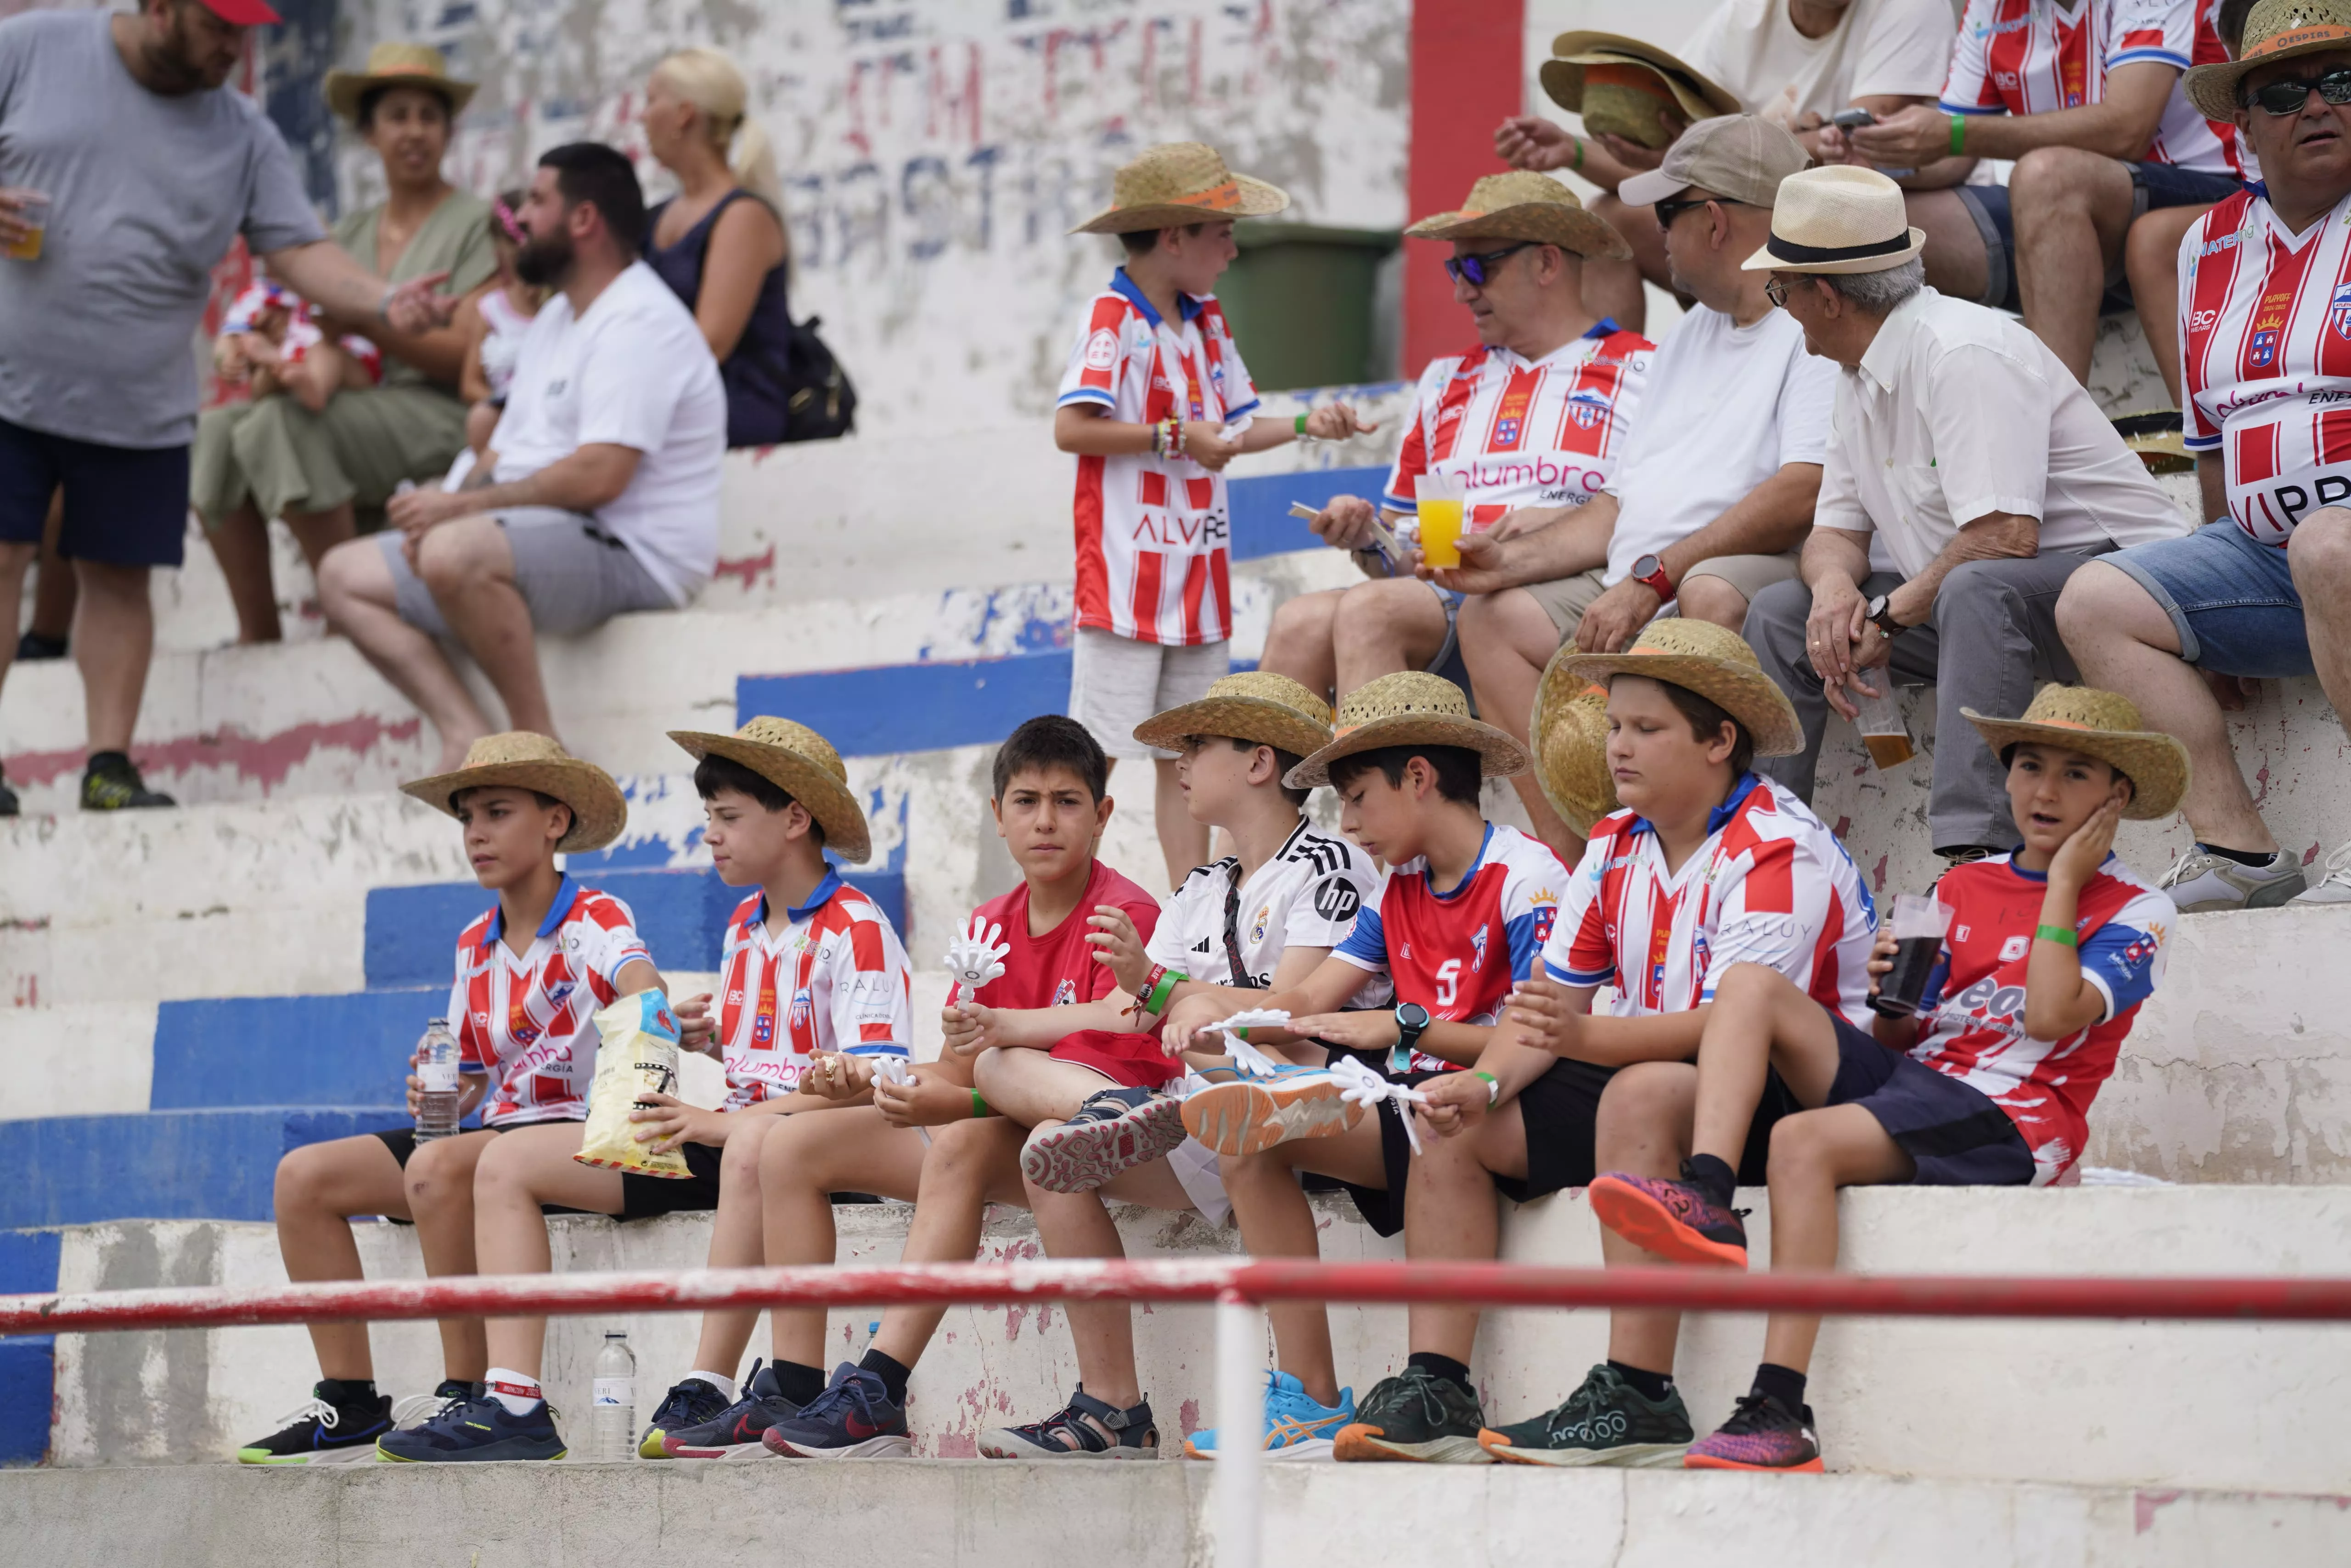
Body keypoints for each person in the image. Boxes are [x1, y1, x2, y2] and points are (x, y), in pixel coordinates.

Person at [1572, 687, 2181, 1472]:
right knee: (1753, 986)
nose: (2045, 792)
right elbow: (1902, 1036)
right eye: (2030, 767)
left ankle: (1781, 1409)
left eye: (2075, 775)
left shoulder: (2141, 908)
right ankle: (1710, 1193)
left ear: (2116, 798)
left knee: (1801, 1139)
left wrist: (2064, 884)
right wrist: (1895, 991)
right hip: (1916, 1082)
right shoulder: (1960, 887)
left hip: (2016, 1117)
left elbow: (2050, 1016)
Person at [384, 718, 913, 1463]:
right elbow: (775, 1053)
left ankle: (707, 1381)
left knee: (748, 1141)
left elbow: (874, 1077)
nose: (711, 836)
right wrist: (715, 1044)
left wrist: (711, 1114)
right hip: (741, 1135)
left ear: (796, 818)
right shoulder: (742, 925)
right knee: (461, 1165)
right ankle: (501, 1397)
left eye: (727, 818)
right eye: (709, 819)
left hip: (798, 1141)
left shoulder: (856, 923)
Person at [0, 0, 456, 817]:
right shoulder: (32, 46)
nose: (235, 46)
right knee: (3, 560)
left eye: (247, 28)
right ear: (162, 8)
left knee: (119, 579)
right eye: (219, 25)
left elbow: (297, 249)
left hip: (140, 404)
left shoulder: (243, 132)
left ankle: (108, 767)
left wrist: (384, 303)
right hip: (9, 384)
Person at [1436, 621, 1873, 1467]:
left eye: (1647, 729)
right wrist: (1483, 1086)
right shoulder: (1612, 842)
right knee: (1454, 1128)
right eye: (1614, 727)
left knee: (1637, 1089)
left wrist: (1583, 1034)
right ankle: (1433, 1382)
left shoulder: (1777, 845)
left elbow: (1731, 1027)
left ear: (1719, 742)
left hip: (1792, 1092)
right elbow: (1549, 1008)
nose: (1618, 749)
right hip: (1667, 1076)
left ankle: (1637, 1392)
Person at [1153, 672, 1585, 1465]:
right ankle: (1312, 1400)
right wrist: (1212, 1016)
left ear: (1418, 778)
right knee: (1248, 1138)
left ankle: (1428, 1388)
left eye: (1357, 798)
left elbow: (1539, 1033)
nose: (1346, 824)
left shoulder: (1528, 877)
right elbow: (1309, 999)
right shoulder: (1396, 891)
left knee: (1400, 1113)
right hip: (1411, 1103)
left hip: (1505, 1103)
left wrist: (1405, 1028)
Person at [703, 716, 1158, 1459]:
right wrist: (868, 1077)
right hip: (1015, 1139)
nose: (1045, 820)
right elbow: (952, 1071)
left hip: (1108, 1142)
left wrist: (962, 1094)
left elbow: (1099, 1068)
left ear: (1104, 815)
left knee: (976, 1130)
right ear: (997, 817)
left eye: (1068, 801)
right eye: (1027, 801)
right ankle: (794, 1385)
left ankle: (880, 1388)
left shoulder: (1124, 915)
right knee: (789, 1147)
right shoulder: (988, 926)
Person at [963, 674, 1383, 1459]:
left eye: (1196, 746)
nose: (1179, 763)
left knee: (1230, 1125)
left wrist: (1173, 995)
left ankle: (1313, 1398)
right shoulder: (1204, 885)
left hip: (1309, 1100)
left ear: (1259, 762)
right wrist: (1006, 1027)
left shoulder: (1327, 862)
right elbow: (1142, 1008)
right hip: (1210, 1100)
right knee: (1042, 1147)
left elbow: (1295, 1015)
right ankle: (1111, 1410)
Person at [233, 733, 657, 1463]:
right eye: (467, 818)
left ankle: (471, 1388)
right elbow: (470, 1075)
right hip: (496, 1133)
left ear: (556, 822)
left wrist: (636, 1069)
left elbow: (644, 987)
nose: (477, 834)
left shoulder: (593, 916)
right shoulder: (473, 941)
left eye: (497, 811)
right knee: (303, 1177)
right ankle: (351, 1401)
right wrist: (447, 1088)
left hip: (582, 1139)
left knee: (435, 1169)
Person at [1741, 167, 2184, 862]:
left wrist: (1885, 616)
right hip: (1989, 606)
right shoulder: (1858, 369)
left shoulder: (1961, 349)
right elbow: (1835, 530)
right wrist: (1834, 591)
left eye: (1781, 289)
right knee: (1780, 610)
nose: (1780, 305)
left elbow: (2006, 539)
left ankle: (1975, 854)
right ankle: (1761, 850)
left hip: (2123, 592)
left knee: (1975, 587)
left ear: (1823, 295)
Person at [1445, 120, 1833, 854]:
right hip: (1646, 579)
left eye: (1667, 214)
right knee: (1487, 615)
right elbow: (1616, 505)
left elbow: (1801, 492)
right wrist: (1506, 563)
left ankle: (1703, 852)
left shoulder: (1810, 319)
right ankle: (1588, 867)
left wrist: (1656, 577)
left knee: (1707, 598)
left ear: (1714, 221)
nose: (1656, 236)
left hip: (1715, 574)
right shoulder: (1689, 333)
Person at [2058, 0, 2351, 910]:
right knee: (2095, 598)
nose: (2316, 106)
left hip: (2337, 551)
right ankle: (2239, 851)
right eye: (2285, 93)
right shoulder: (2207, 242)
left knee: (2326, 548)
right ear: (2245, 127)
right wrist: (2209, 601)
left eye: (2341, 83)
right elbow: (2213, 445)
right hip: (2274, 561)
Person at [316, 142, 726, 771]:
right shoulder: (560, 315)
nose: (519, 218)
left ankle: (539, 748)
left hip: (634, 551)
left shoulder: (639, 321)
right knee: (342, 574)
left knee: (456, 550)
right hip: (542, 532)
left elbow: (602, 474)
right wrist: (448, 503)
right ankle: (467, 732)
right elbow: (510, 446)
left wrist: (462, 509)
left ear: (583, 220)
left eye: (536, 201)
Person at [1056, 142, 1372, 888]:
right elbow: (1072, 428)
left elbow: (1230, 430)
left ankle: (1187, 907)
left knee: (1185, 753)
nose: (1232, 250)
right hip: (1128, 580)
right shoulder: (1113, 318)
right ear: (1175, 237)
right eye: (1221, 233)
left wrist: (1304, 427)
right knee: (1092, 756)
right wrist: (1172, 436)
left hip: (1195, 580)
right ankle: (1064, 902)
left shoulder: (1205, 322)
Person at [1260, 173, 1651, 732]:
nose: (1460, 291)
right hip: (1441, 605)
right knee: (1298, 621)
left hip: (1551, 610)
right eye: (1454, 269)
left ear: (1546, 264)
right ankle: (1254, 822)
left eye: (1477, 268)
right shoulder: (1446, 380)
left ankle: (1380, 814)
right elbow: (1415, 556)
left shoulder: (1644, 369)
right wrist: (1365, 536)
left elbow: (1664, 513)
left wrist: (1561, 522)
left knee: (1370, 612)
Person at [192, 41, 496, 646]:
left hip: (439, 414)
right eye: (397, 116)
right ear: (368, 134)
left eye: (428, 117)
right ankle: (259, 628)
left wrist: (362, 320)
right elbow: (305, 316)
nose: (414, 132)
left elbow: (470, 352)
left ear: (448, 131)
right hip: (349, 403)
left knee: (280, 421)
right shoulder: (346, 234)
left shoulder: (477, 223)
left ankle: (344, 609)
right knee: (215, 432)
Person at [1828, 0, 2243, 388]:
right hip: (2071, 213)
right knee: (1876, 221)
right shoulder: (1988, 7)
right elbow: (1954, 153)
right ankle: (1900, 432)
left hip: (2205, 191)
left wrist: (1953, 135)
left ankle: (2057, 434)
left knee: (2046, 177)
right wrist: (1879, 158)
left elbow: (2128, 127)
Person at [1495, 8, 1955, 326]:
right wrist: (1572, 152)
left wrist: (1808, 143)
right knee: (1609, 219)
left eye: (1477, 268)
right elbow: (1686, 165)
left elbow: (1843, 161)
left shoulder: (1908, 7)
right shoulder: (1740, 18)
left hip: (1884, 210)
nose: (1466, 288)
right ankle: (1611, 393)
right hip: (1766, 211)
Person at [641, 48, 797, 450]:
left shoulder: (742, 216)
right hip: (666, 405)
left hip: (729, 410)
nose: (641, 117)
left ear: (684, 115)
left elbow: (709, 344)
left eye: (651, 101)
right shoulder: (655, 217)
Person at [447, 192, 543, 479]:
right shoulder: (490, 310)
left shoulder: (560, 305)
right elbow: (470, 384)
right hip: (500, 428)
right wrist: (510, 406)